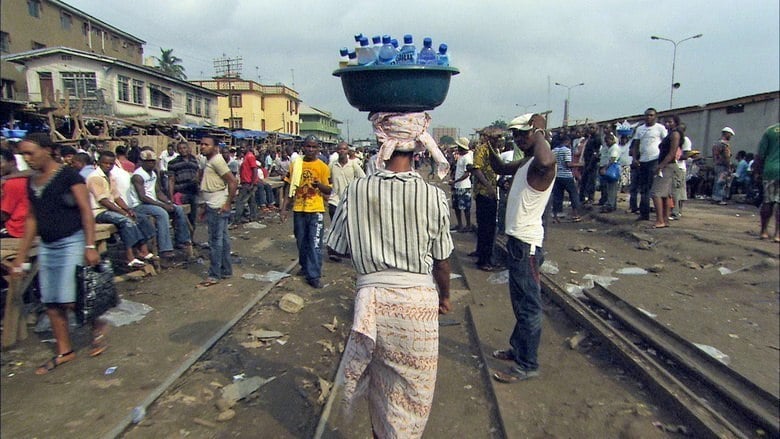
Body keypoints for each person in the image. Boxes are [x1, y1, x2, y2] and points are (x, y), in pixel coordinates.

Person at [326, 111, 452, 439]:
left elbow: (336, 247)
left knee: (380, 388)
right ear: (417, 150)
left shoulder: (356, 190)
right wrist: (446, 295)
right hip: (418, 306)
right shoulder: (433, 195)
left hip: (373, 306)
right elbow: (442, 261)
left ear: (381, 142)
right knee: (413, 394)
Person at [11, 133, 107, 374]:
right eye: (23, 154)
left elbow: (86, 211)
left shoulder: (68, 176)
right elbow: (32, 218)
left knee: (70, 298)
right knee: (51, 301)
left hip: (71, 241)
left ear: (47, 150)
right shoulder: (32, 182)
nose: (27, 158)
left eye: (30, 153)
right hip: (48, 244)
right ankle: (65, 351)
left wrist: (90, 245)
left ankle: (96, 323)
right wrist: (21, 256)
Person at [486, 113, 556, 383]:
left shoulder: (544, 166)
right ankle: (518, 350)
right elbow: (501, 167)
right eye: (514, 135)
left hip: (526, 244)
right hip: (517, 242)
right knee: (520, 302)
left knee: (529, 306)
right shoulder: (527, 162)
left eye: (522, 134)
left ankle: (528, 364)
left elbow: (547, 158)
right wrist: (488, 146)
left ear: (536, 135)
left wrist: (539, 131)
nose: (518, 139)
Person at [86, 150, 155, 268]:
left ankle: (143, 250)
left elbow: (117, 197)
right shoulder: (95, 177)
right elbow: (104, 201)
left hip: (110, 209)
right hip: (98, 212)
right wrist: (122, 212)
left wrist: (128, 209)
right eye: (105, 163)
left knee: (140, 217)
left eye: (111, 164)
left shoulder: (111, 176)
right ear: (98, 163)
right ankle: (130, 256)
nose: (108, 166)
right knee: (126, 221)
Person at [280, 135, 331, 289]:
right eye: (308, 146)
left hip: (315, 210)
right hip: (299, 209)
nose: (310, 149)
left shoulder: (322, 167)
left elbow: (329, 189)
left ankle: (314, 275)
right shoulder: (296, 164)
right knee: (301, 242)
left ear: (318, 148)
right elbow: (288, 187)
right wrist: (283, 208)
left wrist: (319, 185)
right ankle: (305, 266)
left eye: (314, 147)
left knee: (315, 243)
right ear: (303, 147)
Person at [127, 149, 192, 260]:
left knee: (178, 209)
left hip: (152, 202)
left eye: (153, 161)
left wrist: (167, 201)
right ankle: (165, 249)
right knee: (162, 213)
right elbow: (143, 197)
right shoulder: (138, 176)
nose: (152, 164)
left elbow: (158, 191)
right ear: (142, 162)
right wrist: (162, 205)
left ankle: (182, 240)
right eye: (149, 161)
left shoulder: (153, 173)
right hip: (139, 205)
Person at [197, 135, 238, 287]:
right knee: (223, 240)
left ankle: (214, 274)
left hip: (218, 205)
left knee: (215, 241)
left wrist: (228, 203)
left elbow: (233, 182)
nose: (202, 147)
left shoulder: (217, 161)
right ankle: (226, 270)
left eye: (206, 144)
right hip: (212, 203)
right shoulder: (210, 161)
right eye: (201, 144)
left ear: (215, 147)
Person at [471, 127, 501, 271]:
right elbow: (476, 169)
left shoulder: (494, 151)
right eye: (497, 137)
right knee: (487, 228)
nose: (500, 140)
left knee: (486, 226)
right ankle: (484, 260)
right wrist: (489, 187)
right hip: (485, 193)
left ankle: (483, 254)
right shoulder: (483, 150)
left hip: (490, 191)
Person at [631, 108, 668, 221]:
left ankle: (661, 215)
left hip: (654, 159)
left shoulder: (660, 128)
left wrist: (662, 160)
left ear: (655, 117)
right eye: (647, 115)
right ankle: (644, 213)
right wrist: (635, 158)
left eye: (651, 115)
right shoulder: (640, 129)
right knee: (643, 188)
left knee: (653, 188)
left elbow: (666, 142)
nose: (649, 117)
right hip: (643, 160)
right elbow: (636, 145)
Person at [650, 115, 683, 229]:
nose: (667, 124)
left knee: (656, 193)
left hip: (668, 166)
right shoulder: (670, 134)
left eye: (670, 122)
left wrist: (660, 166)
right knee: (665, 195)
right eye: (666, 122)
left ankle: (660, 220)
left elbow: (672, 152)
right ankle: (665, 220)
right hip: (668, 165)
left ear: (675, 123)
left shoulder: (675, 134)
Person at [168, 141, 202, 235]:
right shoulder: (173, 163)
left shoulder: (194, 160)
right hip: (180, 193)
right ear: (177, 150)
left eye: (184, 148)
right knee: (180, 217)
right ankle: (180, 239)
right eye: (180, 148)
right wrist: (171, 196)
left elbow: (198, 173)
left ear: (188, 148)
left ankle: (190, 239)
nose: (182, 150)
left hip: (193, 192)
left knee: (193, 217)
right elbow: (171, 180)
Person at [754, 123, 780, 242]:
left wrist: (757, 172)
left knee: (767, 201)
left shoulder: (770, 131)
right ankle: (777, 235)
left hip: (770, 171)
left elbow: (760, 155)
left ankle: (764, 231)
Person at [328, 141, 365, 221]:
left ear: (348, 151)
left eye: (344, 149)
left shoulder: (353, 164)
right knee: (335, 228)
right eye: (340, 149)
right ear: (337, 151)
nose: (342, 151)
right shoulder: (332, 165)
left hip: (349, 200)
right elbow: (327, 179)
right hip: (334, 201)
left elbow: (363, 178)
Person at [551, 136, 582, 222]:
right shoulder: (566, 150)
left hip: (557, 175)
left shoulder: (554, 150)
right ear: (568, 142)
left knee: (557, 196)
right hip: (567, 176)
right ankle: (575, 214)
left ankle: (556, 215)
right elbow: (568, 164)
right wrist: (580, 164)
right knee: (573, 194)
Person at [1, 148, 30, 238]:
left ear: (12, 162)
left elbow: (3, 216)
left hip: (16, 229)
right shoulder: (27, 178)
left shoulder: (11, 183)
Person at [449, 136, 474, 232]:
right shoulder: (461, 157)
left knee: (465, 208)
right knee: (456, 207)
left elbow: (467, 173)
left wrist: (455, 181)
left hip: (464, 186)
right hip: (457, 185)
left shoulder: (467, 158)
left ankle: (467, 225)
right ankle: (460, 224)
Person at [233, 144, 259, 226]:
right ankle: (253, 216)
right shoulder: (245, 157)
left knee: (240, 201)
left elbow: (255, 170)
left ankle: (236, 220)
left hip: (248, 183)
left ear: (248, 147)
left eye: (244, 147)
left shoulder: (250, 156)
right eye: (241, 147)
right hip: (245, 182)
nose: (242, 149)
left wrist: (253, 183)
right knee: (251, 201)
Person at [711, 127, 734, 205]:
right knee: (721, 182)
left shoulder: (716, 143)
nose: (730, 137)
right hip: (723, 165)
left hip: (716, 164)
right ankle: (719, 199)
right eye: (730, 135)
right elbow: (727, 156)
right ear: (726, 133)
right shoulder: (725, 145)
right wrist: (729, 167)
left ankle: (714, 198)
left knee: (716, 181)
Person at [599, 132, 621, 213]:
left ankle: (610, 205)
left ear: (612, 140)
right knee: (611, 188)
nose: (606, 143)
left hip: (613, 168)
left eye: (607, 141)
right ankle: (612, 205)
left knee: (611, 188)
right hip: (612, 167)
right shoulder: (611, 147)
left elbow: (612, 159)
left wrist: (605, 168)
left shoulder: (614, 148)